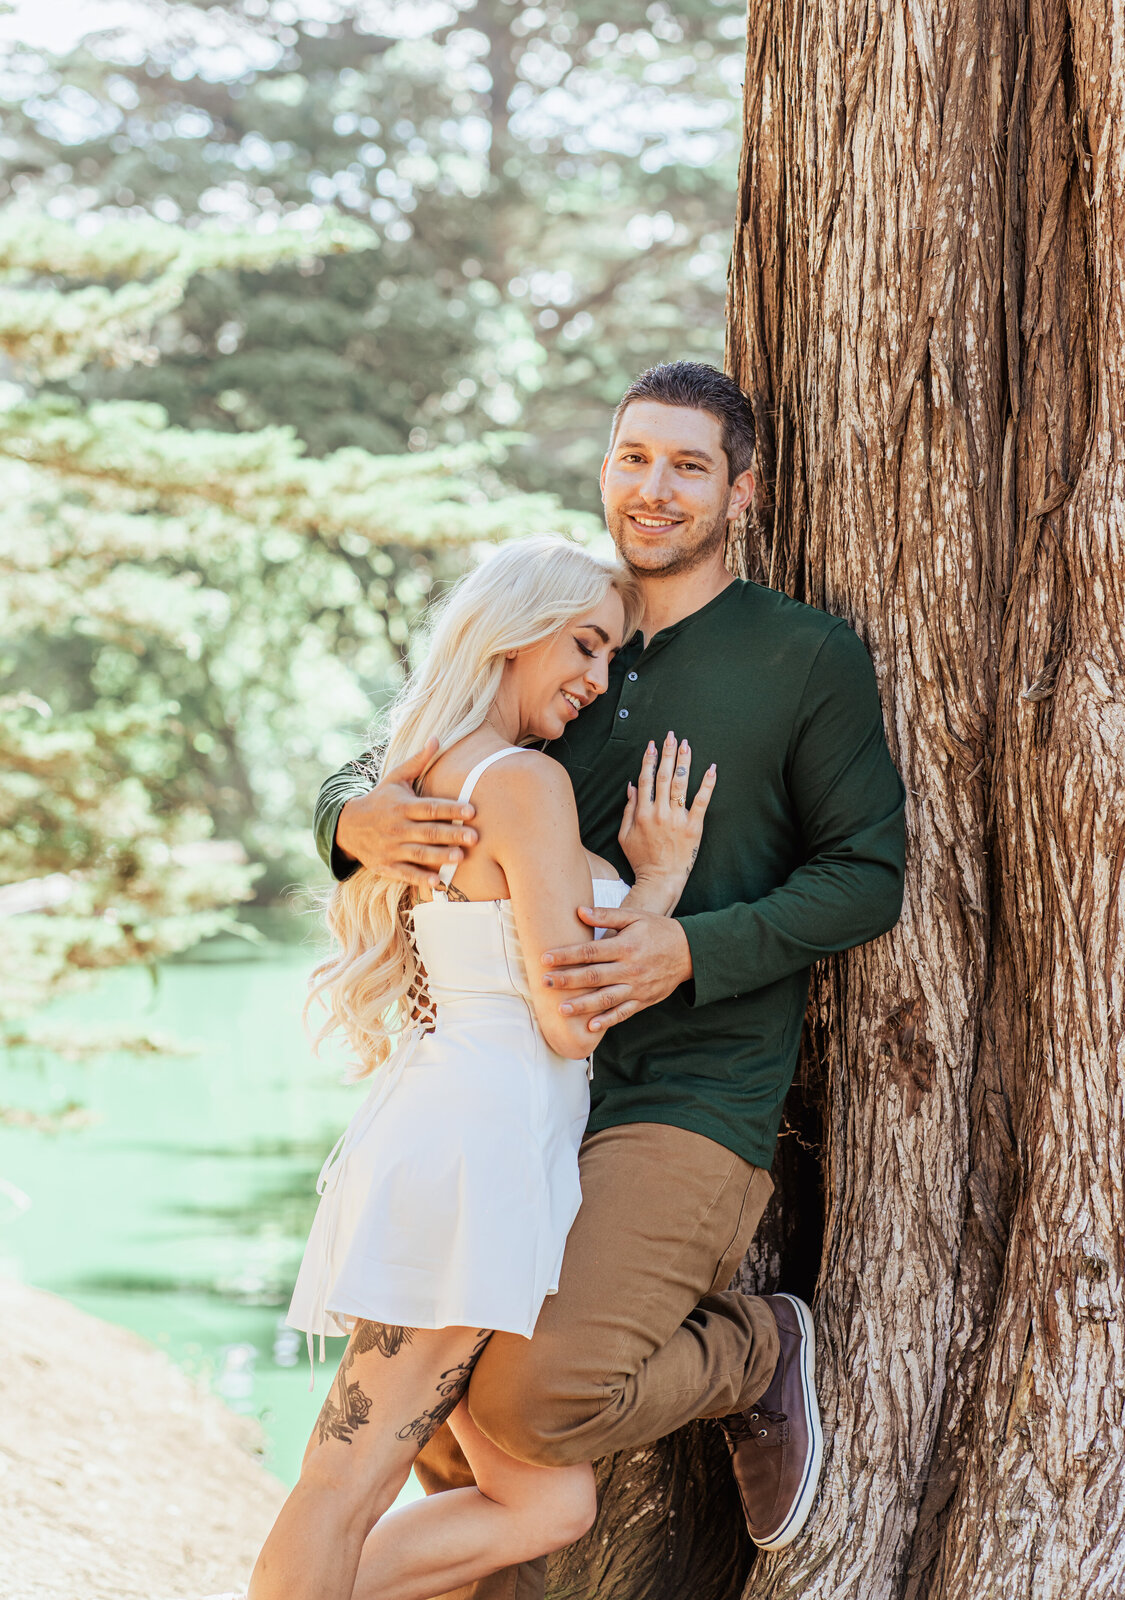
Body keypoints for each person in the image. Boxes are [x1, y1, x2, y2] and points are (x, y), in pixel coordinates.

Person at [316, 361, 907, 1599]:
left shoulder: (803, 655)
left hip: (684, 1091)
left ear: (744, 491)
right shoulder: (563, 627)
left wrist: (688, 941)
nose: (655, 487)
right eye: (634, 457)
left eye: (691, 464)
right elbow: (409, 756)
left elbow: (866, 875)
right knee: (438, 1424)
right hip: (515, 1089)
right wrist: (349, 818)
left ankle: (757, 1349)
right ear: (605, 468)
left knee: (532, 1404)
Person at [247, 537, 717, 1600]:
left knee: (550, 1504)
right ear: (511, 630)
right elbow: (569, 1018)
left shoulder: (425, 768)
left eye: (611, 657)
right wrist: (660, 886)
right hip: (480, 1148)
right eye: (584, 644)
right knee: (347, 1481)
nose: (595, 679)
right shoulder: (525, 782)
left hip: (477, 1134)